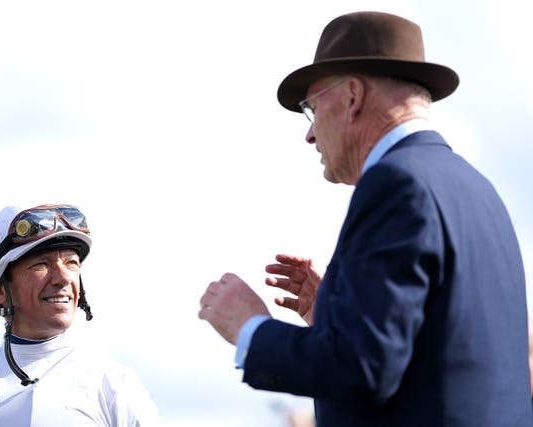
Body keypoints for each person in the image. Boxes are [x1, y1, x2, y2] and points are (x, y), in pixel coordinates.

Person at [198, 11, 532, 426]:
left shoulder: (397, 183)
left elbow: (362, 369)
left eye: (311, 107)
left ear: (353, 96)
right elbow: (436, 356)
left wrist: (250, 328)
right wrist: (336, 318)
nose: (310, 133)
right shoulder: (477, 189)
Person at [0, 204, 159, 426]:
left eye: (71, 263)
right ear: (0, 290)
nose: (63, 278)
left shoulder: (114, 384)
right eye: (41, 265)